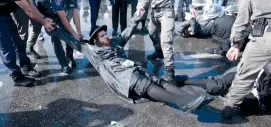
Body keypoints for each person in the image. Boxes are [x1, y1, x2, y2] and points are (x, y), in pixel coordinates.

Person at [47, 10, 208, 113]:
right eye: (103, 36)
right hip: (125, 78)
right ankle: (184, 101)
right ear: (95, 41)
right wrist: (56, 30)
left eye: (106, 34)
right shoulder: (92, 51)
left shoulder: (115, 43)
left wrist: (136, 17)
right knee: (146, 84)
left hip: (136, 70)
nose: (107, 36)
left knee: (159, 81)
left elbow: (127, 32)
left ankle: (190, 98)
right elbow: (70, 40)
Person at [136, 0, 196, 82]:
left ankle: (170, 73)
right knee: (151, 33)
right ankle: (158, 52)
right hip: (154, 12)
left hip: (167, 12)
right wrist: (140, 8)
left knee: (166, 41)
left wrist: (190, 7)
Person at [222, 0, 271, 119]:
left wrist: (236, 44)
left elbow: (242, 20)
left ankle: (229, 109)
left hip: (263, 38)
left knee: (245, 77)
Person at [41, 0, 82, 72]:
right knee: (56, 37)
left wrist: (78, 33)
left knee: (71, 34)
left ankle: (70, 57)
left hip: (58, 14)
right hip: (47, 16)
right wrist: (74, 34)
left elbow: (76, 15)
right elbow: (63, 18)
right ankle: (63, 64)